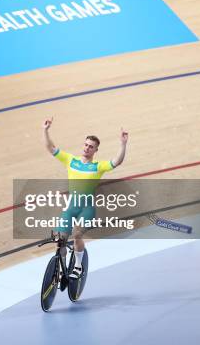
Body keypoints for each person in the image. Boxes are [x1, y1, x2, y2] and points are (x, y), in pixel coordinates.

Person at [43, 117, 128, 279]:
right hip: (70, 208)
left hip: (86, 209)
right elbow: (51, 147)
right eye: (86, 145)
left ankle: (78, 266)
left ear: (96, 151)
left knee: (77, 234)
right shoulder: (70, 160)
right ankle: (61, 268)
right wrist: (45, 130)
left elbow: (117, 161)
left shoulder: (98, 167)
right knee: (60, 240)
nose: (87, 148)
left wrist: (123, 144)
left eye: (91, 147)